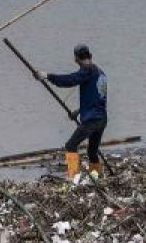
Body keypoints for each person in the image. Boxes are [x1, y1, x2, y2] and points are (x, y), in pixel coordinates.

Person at [36, 44, 107, 181]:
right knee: (92, 151)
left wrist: (47, 76)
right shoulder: (100, 73)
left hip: (91, 120)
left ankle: (73, 176)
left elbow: (69, 80)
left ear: (76, 58)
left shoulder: (87, 70)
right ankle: (97, 176)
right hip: (101, 119)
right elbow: (100, 98)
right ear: (89, 55)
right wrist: (79, 111)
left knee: (70, 146)